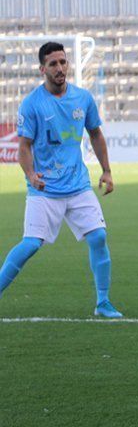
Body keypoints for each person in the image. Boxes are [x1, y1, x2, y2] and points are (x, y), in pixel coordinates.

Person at [0, 42, 122, 318]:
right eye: (53, 64)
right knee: (31, 244)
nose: (60, 68)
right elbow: (23, 147)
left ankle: (103, 302)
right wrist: (31, 175)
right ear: (42, 69)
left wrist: (106, 170)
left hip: (78, 185)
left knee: (99, 237)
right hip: (44, 190)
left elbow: (96, 134)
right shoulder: (32, 103)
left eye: (63, 62)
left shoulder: (82, 98)